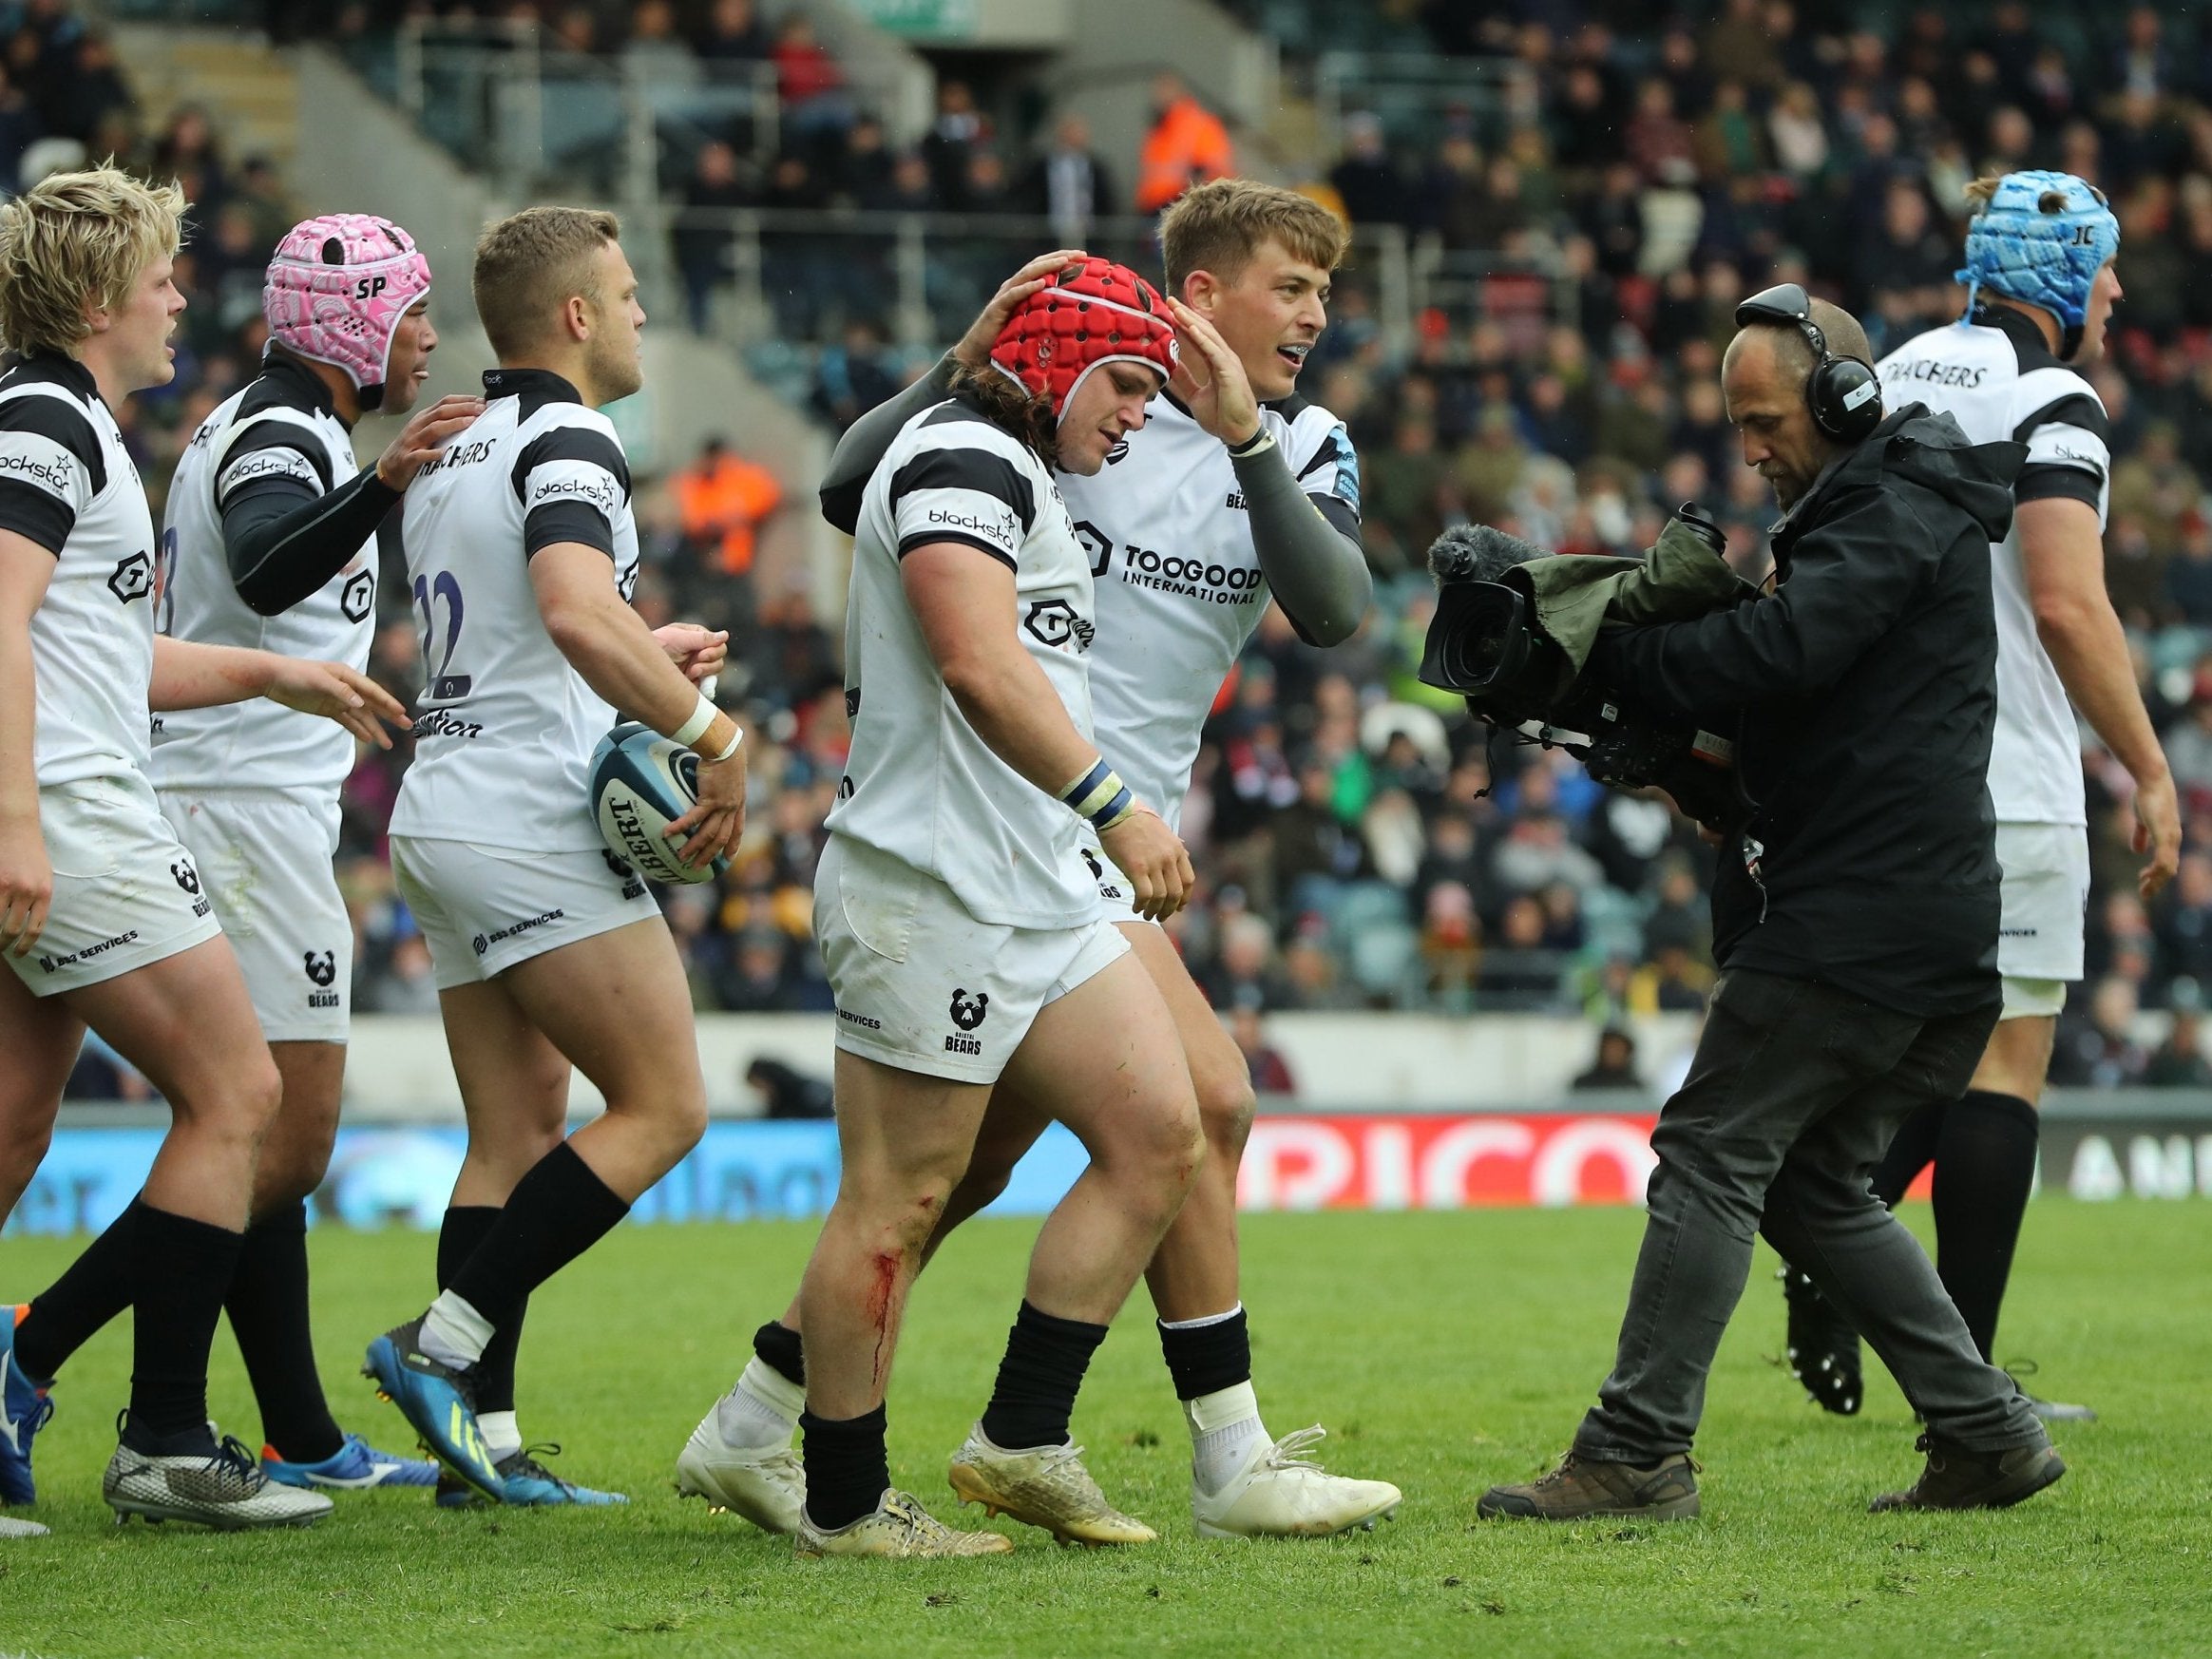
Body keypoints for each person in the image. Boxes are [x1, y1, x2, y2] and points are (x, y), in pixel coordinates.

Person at [680, 181, 1400, 1543]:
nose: (1316, 313)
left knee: (957, 1178)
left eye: (1321, 290)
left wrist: (1244, 435)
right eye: (1290, 286)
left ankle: (759, 1421)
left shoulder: (1296, 439)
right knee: (1196, 1112)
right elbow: (857, 490)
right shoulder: (1054, 413)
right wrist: (970, 355)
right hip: (1023, 821)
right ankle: (1201, 1450)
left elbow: (1337, 609)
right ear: (1199, 294)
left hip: (1095, 837)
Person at [1477, 288, 2062, 1522]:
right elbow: (1804, 708)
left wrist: (1616, 653)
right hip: (1927, 919)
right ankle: (1987, 1432)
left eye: (1763, 420)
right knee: (1809, 1184)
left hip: (1862, 919)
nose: (1750, 449)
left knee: (1708, 1150)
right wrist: (1677, 752)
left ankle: (1636, 1449)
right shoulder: (1891, 505)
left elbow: (1786, 655)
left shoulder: (1895, 499)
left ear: (1847, 398)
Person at [770, 258, 1207, 1558]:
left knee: (1160, 1131)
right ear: (1058, 360)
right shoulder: (964, 454)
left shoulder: (1008, 465)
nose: (1137, 416)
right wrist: (1115, 800)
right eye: (1126, 381)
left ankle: (1021, 1438)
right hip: (934, 886)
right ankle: (844, 1503)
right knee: (897, 1200)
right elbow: (972, 654)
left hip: (1030, 883)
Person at [41, 215, 478, 1499]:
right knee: (276, 1140)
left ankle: (296, 1429)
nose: (430, 339)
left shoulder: (267, 422)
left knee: (265, 1141)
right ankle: (45, 1351)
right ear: (353, 329)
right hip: (230, 808)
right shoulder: (287, 432)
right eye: (410, 316)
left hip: (241, 801)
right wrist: (388, 479)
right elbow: (269, 556)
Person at [360, 206, 741, 1510]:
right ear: (576, 316)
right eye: (629, 296)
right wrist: (712, 732)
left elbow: (544, 625)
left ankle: (488, 1445)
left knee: (514, 1133)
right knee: (669, 1103)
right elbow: (577, 613)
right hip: (528, 820)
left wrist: (648, 652)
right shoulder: (574, 433)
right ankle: (443, 1346)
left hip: (444, 806)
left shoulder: (458, 443)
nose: (641, 315)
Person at [1779, 171, 2176, 1424]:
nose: (2116, 288)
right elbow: (2063, 600)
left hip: (1876, 781)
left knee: (1923, 1063)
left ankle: (1827, 1246)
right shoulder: (2055, 399)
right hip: (2005, 775)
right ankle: (1969, 1389)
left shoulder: (1889, 376)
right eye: (2105, 266)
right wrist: (2150, 765)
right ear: (2065, 280)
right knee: (2004, 1067)